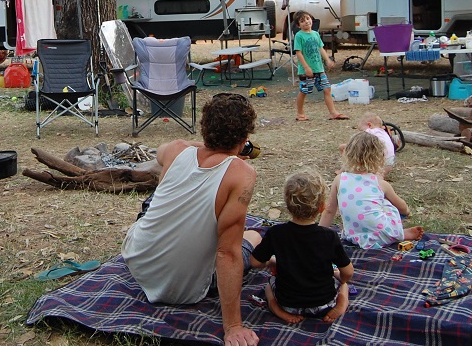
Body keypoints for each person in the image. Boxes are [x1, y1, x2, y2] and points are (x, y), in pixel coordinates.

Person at [122, 93, 262, 346]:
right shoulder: (242, 173)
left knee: (158, 198)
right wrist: (233, 326)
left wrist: (206, 145)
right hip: (183, 288)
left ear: (205, 128)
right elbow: (227, 254)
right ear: (244, 140)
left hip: (138, 260)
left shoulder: (177, 150)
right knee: (253, 236)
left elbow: (163, 152)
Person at [249, 168, 353, 324]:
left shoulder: (276, 233)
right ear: (322, 207)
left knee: (269, 287)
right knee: (344, 284)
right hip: (324, 303)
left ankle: (276, 308)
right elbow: (348, 271)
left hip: (288, 304)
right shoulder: (329, 236)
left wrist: (270, 261)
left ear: (287, 205)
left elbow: (254, 262)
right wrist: (340, 277)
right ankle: (341, 303)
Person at [320, 131, 424, 249]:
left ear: (348, 154)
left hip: (354, 237)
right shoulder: (380, 184)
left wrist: (318, 235)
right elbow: (402, 207)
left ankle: (396, 234)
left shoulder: (339, 179)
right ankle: (398, 233)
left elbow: (329, 211)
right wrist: (406, 212)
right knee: (386, 203)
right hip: (383, 235)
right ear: (379, 158)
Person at [292, 11, 346, 121]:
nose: (306, 22)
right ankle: (300, 113)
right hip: (307, 70)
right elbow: (298, 53)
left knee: (327, 89)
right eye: (302, 21)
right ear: (298, 25)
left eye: (308, 19)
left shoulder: (316, 34)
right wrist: (306, 67)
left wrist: (327, 60)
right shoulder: (299, 36)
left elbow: (321, 48)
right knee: (304, 91)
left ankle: (333, 112)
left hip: (319, 69)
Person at [340, 112, 395, 177]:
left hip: (378, 162)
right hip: (389, 162)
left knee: (347, 148)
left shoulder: (370, 132)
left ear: (369, 125)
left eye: (361, 130)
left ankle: (343, 170)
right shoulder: (383, 132)